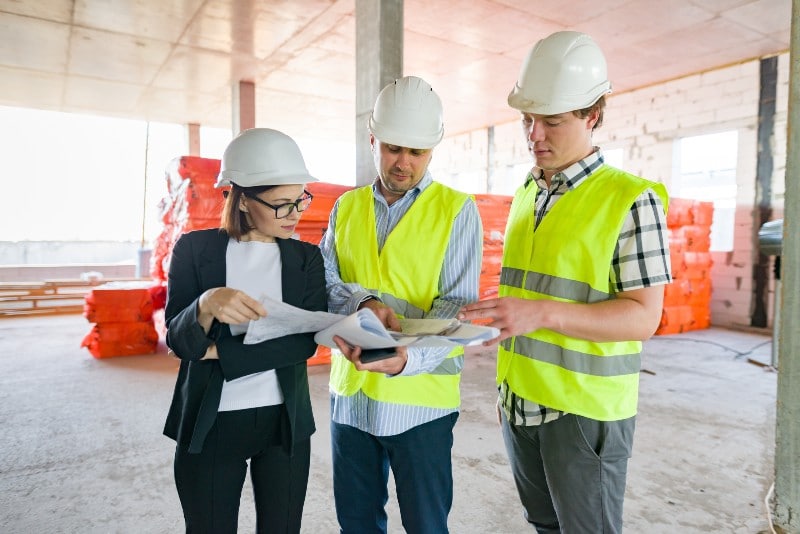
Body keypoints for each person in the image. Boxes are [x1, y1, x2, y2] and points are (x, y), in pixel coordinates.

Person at [458, 31, 672, 533]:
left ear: (592, 115)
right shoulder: (528, 194)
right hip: (520, 403)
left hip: (583, 414)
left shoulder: (631, 200)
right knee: (544, 525)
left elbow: (644, 317)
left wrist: (540, 313)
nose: (534, 134)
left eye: (552, 121)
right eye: (527, 119)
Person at [319, 75, 483, 534]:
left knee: (426, 525)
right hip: (351, 399)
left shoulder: (456, 210)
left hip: (420, 405)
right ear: (373, 139)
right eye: (393, 148)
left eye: (417, 152)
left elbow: (456, 306)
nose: (403, 162)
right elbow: (325, 280)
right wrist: (364, 300)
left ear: (433, 150)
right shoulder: (346, 208)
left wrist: (408, 359)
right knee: (356, 524)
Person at [162, 127, 326, 533]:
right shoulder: (194, 250)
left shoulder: (306, 258)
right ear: (241, 199)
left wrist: (220, 353)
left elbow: (304, 342)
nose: (296, 214)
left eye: (301, 199)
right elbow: (180, 342)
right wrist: (205, 304)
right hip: (210, 424)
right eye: (282, 205)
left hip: (284, 424)